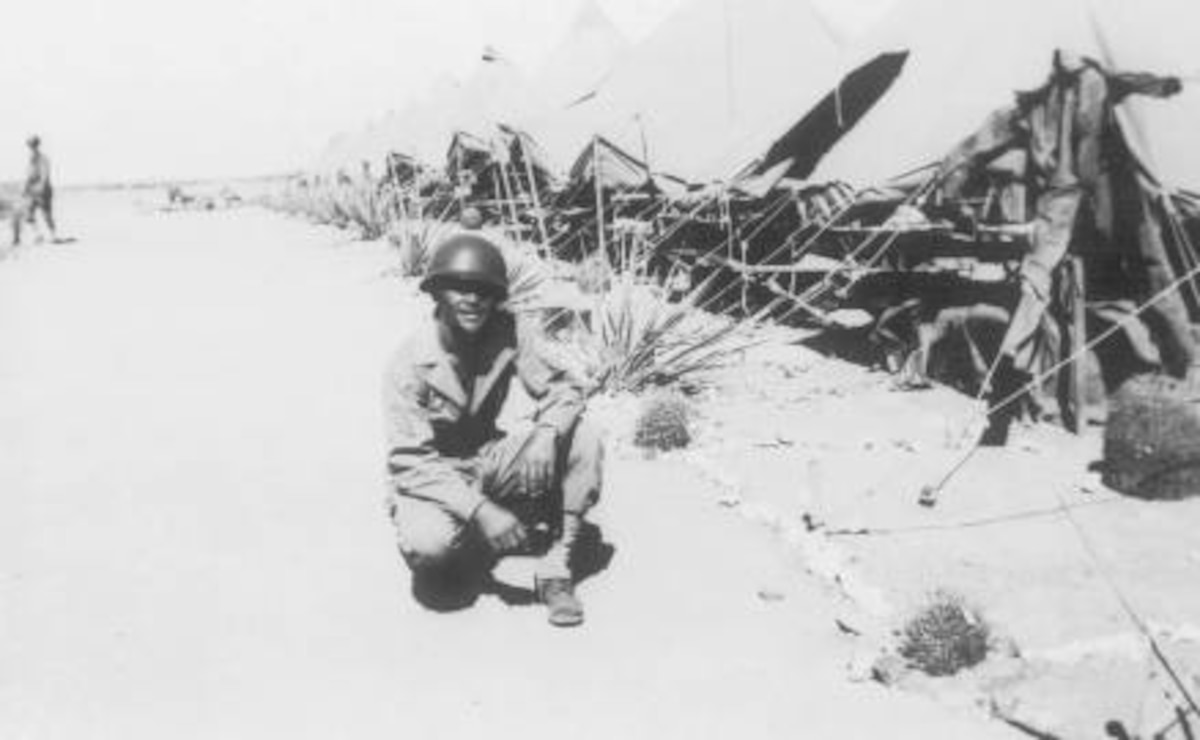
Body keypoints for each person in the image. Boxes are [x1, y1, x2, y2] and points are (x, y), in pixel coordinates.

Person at [382, 232, 604, 627]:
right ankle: (476, 531)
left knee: (582, 437)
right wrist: (481, 511)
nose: (473, 300)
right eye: (459, 289)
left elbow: (564, 389)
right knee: (431, 550)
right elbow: (411, 460)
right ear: (437, 293)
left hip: (488, 457)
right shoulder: (409, 363)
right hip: (435, 474)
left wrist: (546, 433)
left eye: (484, 291)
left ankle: (556, 567)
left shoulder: (508, 331)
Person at [24, 136, 57, 243]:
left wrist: (41, 187)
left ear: (37, 145)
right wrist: (25, 188)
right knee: (29, 214)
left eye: (33, 145)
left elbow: (45, 174)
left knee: (46, 214)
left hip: (43, 190)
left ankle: (53, 236)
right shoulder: (30, 159)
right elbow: (29, 176)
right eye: (30, 145)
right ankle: (38, 235)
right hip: (32, 190)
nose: (31, 147)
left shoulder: (43, 158)